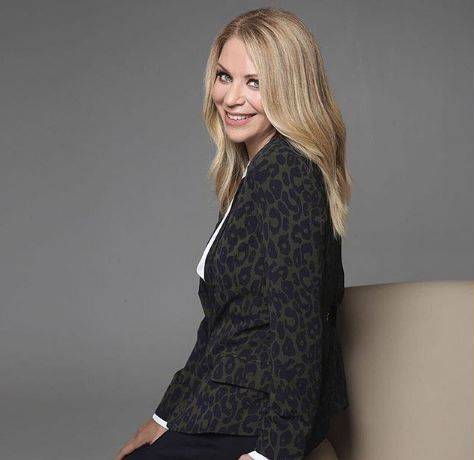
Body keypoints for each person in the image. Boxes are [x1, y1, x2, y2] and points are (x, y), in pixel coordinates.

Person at [115, 7, 351, 460]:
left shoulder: (286, 172)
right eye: (225, 77)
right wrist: (166, 415)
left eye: (255, 82)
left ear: (290, 89)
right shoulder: (257, 170)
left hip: (259, 416)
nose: (232, 97)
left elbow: (299, 325)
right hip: (228, 399)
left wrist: (275, 451)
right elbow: (225, 323)